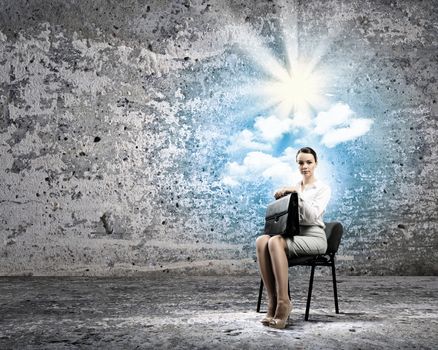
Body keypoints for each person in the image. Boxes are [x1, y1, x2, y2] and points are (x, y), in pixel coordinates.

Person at [255, 147, 331, 329]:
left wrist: (297, 195)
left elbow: (313, 217)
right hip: (295, 235)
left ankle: (284, 303)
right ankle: (272, 301)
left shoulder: (322, 188)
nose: (305, 166)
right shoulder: (295, 186)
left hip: (314, 237)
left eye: (309, 162)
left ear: (316, 163)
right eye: (301, 163)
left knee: (275, 241)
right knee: (262, 240)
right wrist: (282, 198)